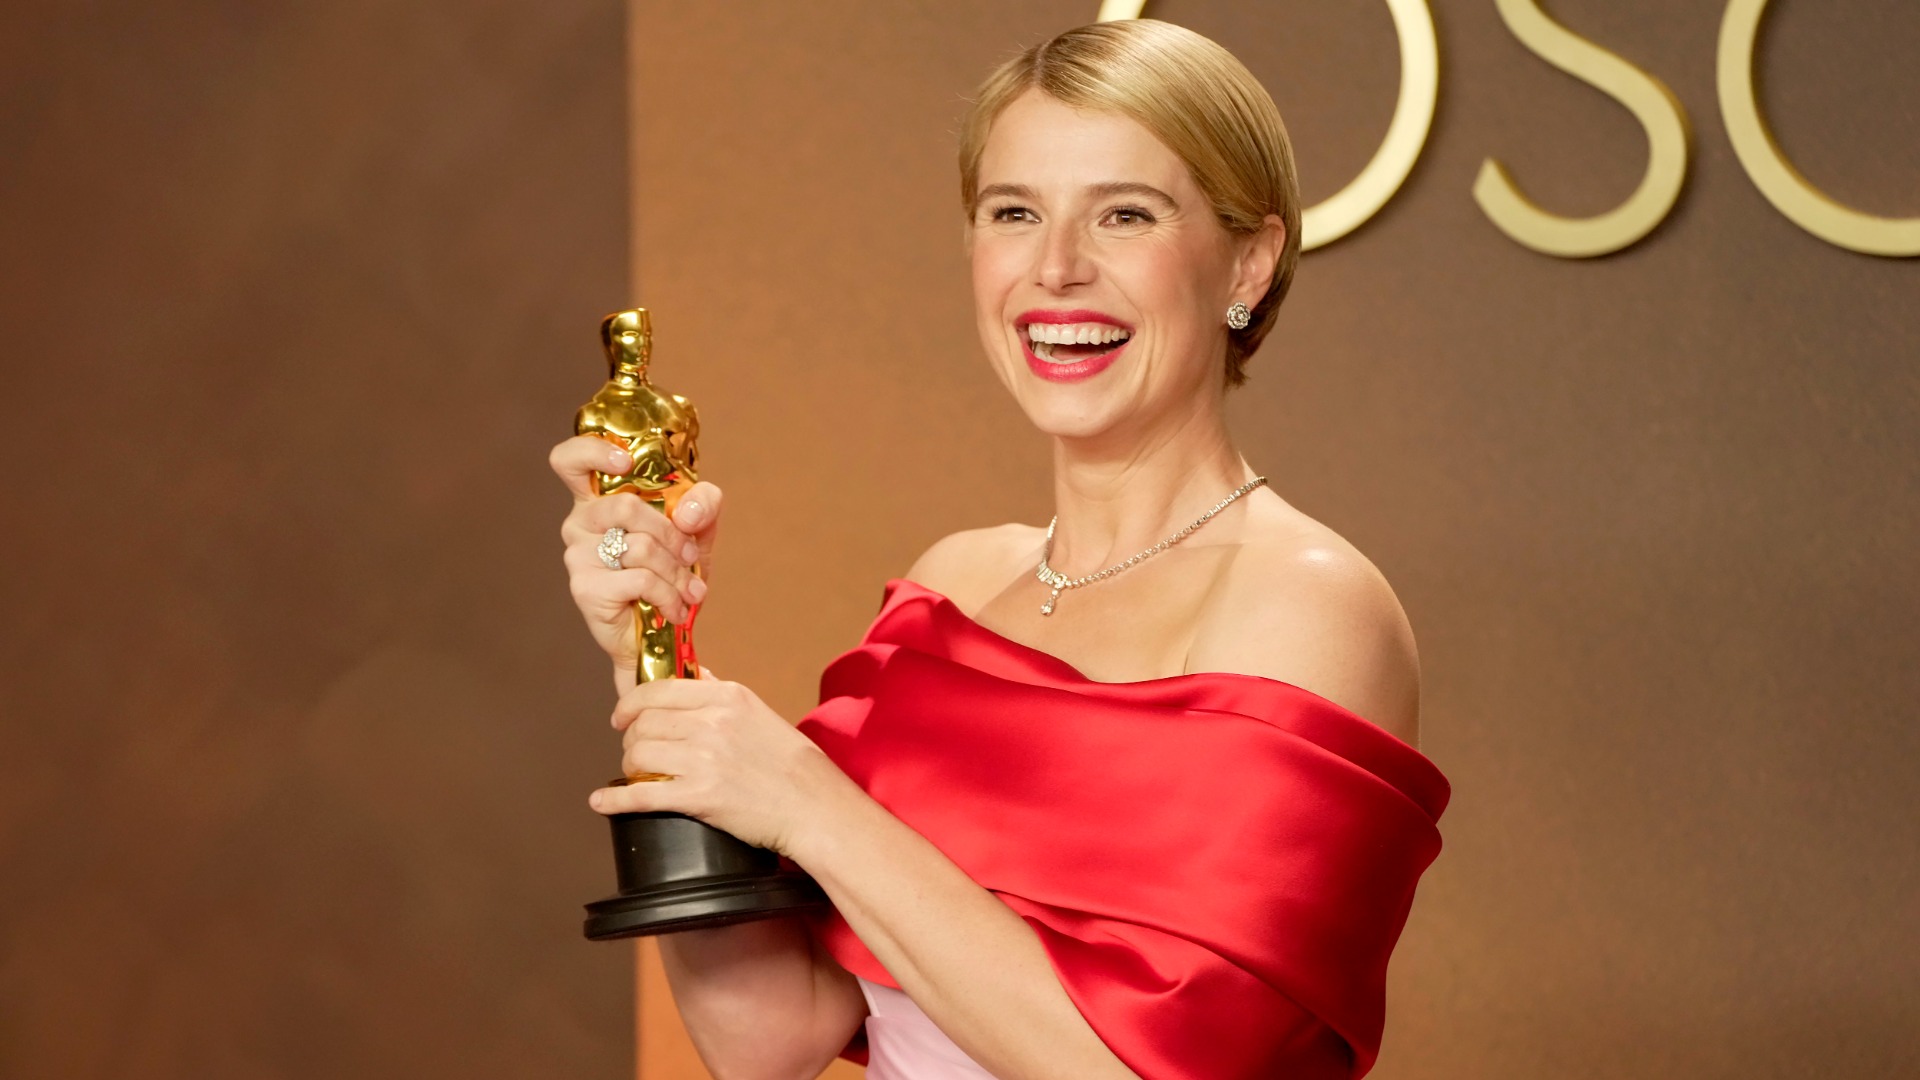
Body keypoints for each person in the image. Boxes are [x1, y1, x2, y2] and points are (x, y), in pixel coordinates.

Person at [548, 19, 1448, 1080]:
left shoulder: (1308, 604)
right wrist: (656, 647)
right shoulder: (953, 586)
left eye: (1125, 214)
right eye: (1013, 212)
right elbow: (770, 1035)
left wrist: (805, 800)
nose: (1056, 269)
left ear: (1248, 259)